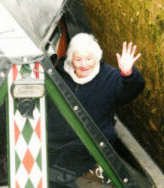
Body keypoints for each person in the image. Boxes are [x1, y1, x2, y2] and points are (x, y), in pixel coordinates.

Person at [47, 33, 145, 188]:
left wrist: (128, 74)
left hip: (91, 148)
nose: (84, 64)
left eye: (89, 59)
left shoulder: (109, 77)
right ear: (71, 59)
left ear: (97, 58)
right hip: (57, 146)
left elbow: (131, 90)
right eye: (78, 59)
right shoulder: (59, 75)